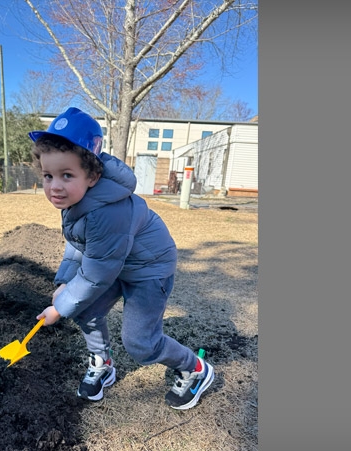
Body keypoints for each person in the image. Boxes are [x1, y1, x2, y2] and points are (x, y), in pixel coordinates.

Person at [28, 107, 215, 410]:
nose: (55, 186)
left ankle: (194, 369)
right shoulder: (77, 200)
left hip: (148, 269)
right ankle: (103, 363)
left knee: (140, 343)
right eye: (48, 176)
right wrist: (64, 282)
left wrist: (59, 308)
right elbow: (79, 246)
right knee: (85, 309)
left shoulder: (106, 212)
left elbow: (98, 272)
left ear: (93, 175)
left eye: (66, 175)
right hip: (118, 263)